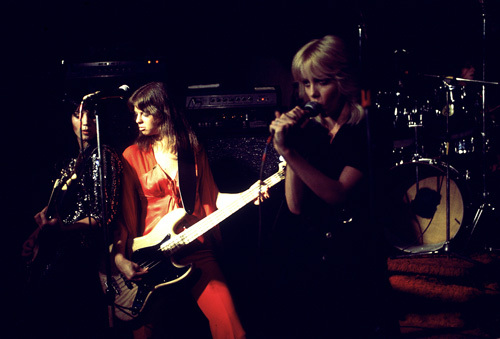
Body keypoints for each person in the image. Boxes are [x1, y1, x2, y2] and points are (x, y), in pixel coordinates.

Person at [112, 81, 268, 339]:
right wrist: (120, 259)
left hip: (195, 249)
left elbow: (212, 199)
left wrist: (247, 195)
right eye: (135, 114)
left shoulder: (192, 151)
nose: (137, 120)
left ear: (163, 111)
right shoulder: (131, 155)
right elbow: (123, 217)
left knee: (232, 331)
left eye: (144, 113)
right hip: (151, 257)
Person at [268, 35, 400, 338]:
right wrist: (292, 146)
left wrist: (290, 154)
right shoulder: (308, 131)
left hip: (357, 250)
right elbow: (295, 205)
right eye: (305, 83)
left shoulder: (369, 125)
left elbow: (338, 194)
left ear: (342, 80)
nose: (311, 93)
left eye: (322, 82)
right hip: (315, 252)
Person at [20, 97, 123, 338]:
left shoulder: (103, 155)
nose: (85, 121)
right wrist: (35, 236)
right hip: (57, 250)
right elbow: (53, 211)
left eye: (90, 114)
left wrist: (62, 229)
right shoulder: (71, 162)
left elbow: (103, 215)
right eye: (78, 114)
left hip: (81, 258)